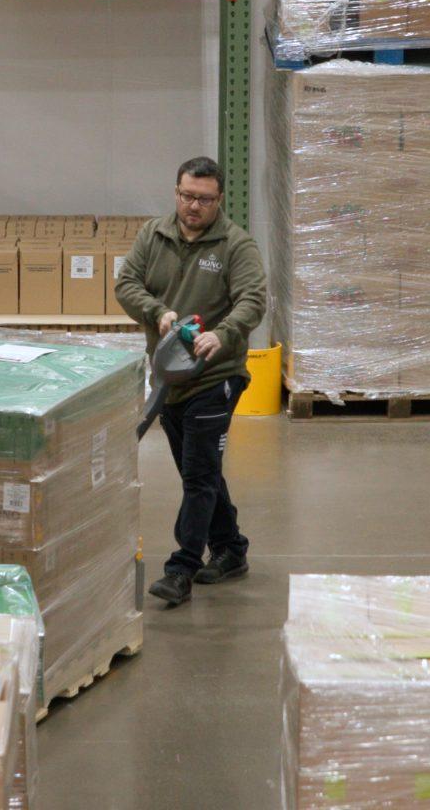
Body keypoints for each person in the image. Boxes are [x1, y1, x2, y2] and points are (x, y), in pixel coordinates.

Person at [115, 156, 268, 607]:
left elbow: (253, 299)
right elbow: (127, 284)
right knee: (197, 469)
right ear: (176, 192)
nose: (192, 206)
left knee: (198, 473)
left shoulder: (236, 246)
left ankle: (181, 567)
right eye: (185, 196)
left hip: (215, 377)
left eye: (202, 199)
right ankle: (231, 549)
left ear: (219, 199)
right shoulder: (153, 234)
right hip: (170, 375)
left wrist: (222, 335)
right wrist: (156, 311)